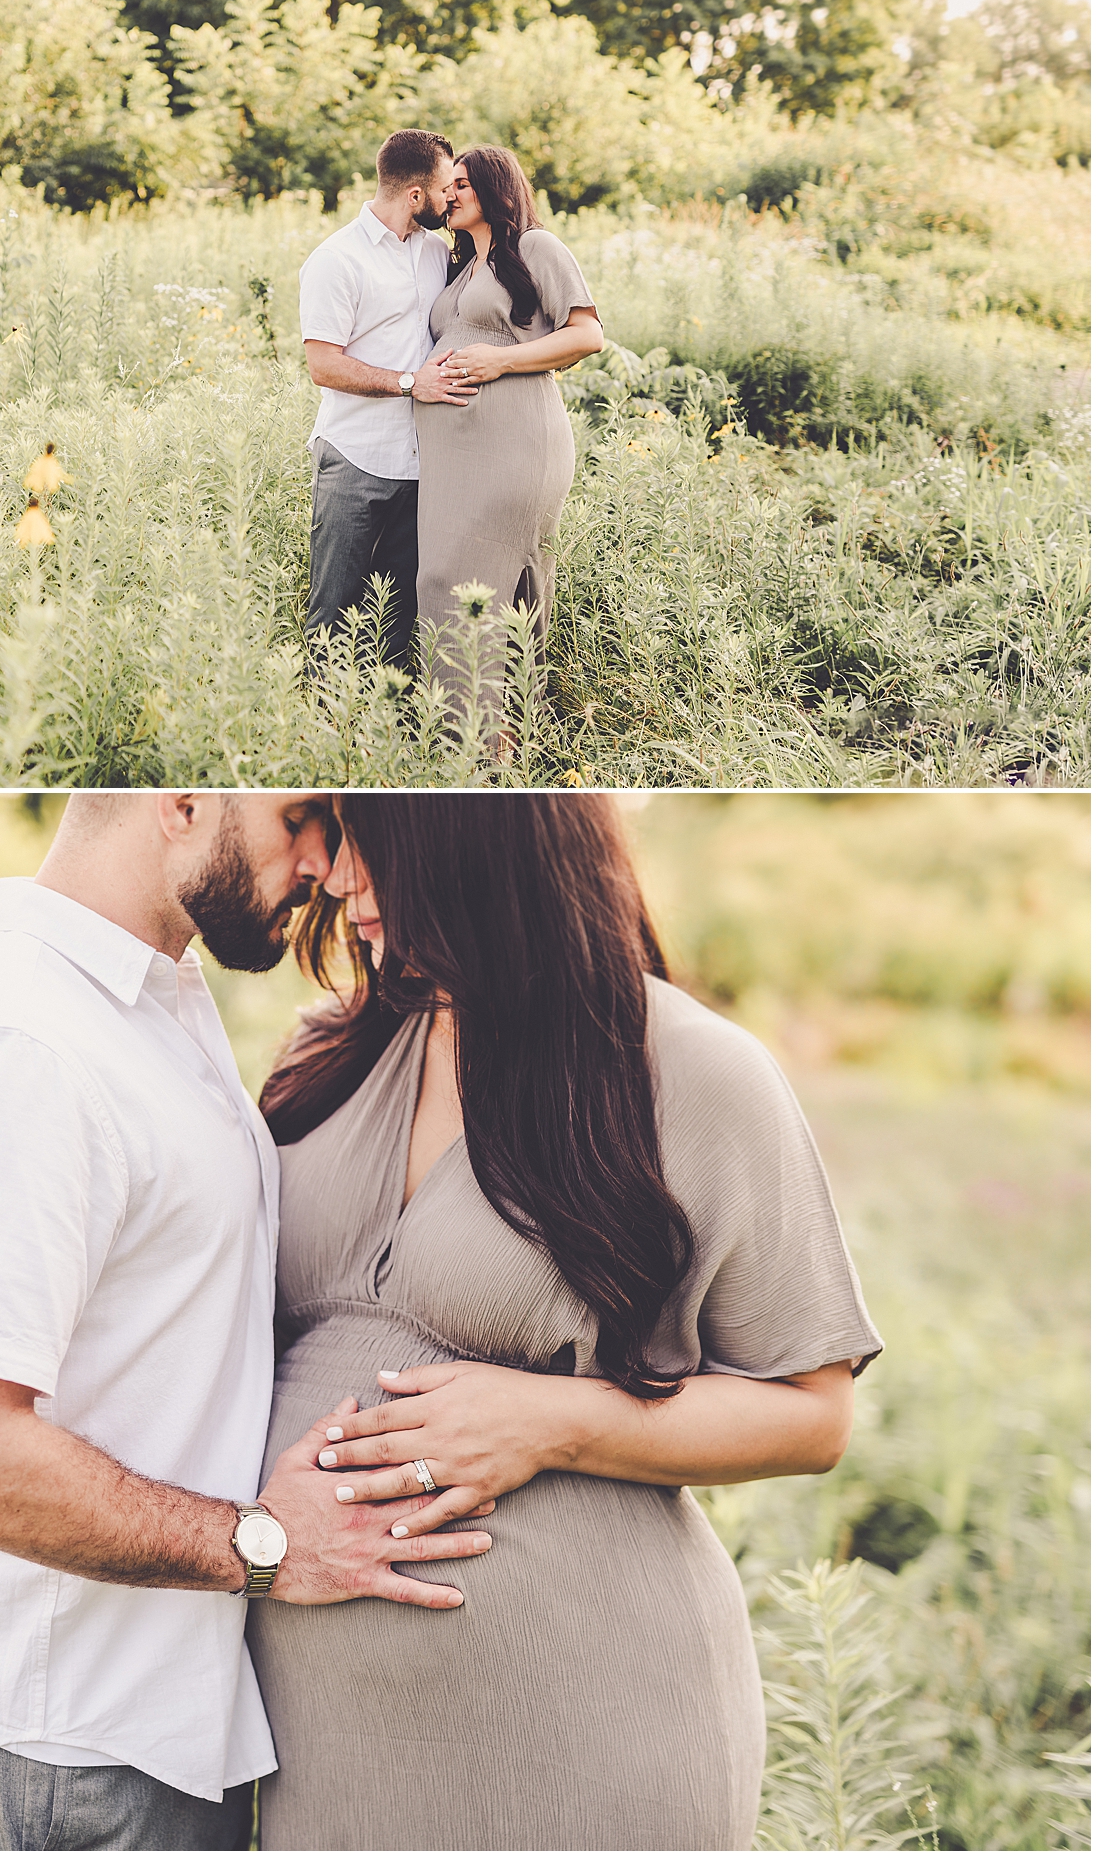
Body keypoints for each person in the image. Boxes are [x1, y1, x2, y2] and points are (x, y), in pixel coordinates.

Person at [0, 790, 496, 1854]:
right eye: (299, 817)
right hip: (61, 1757)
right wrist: (264, 1542)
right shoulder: (24, 1044)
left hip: (140, 1745)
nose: (322, 862)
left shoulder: (144, 1007)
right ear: (184, 795)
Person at [247, 792, 883, 1853]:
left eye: (369, 836)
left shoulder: (689, 1071)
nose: (335, 873)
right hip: (322, 1752)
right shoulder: (330, 1054)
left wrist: (557, 1420)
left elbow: (812, 1415)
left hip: (586, 1738)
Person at [413, 146, 604, 698]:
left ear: (496, 190)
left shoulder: (534, 247)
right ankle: (483, 740)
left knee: (461, 582)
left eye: (463, 185)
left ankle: (480, 746)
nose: (450, 194)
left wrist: (500, 359)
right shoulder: (464, 265)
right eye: (449, 185)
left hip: (513, 448)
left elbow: (587, 334)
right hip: (458, 462)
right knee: (451, 583)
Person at [298, 129, 477, 671]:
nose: (453, 199)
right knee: (334, 611)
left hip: (424, 462)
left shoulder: (435, 253)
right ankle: (320, 734)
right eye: (447, 188)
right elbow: (323, 366)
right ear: (416, 195)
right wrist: (408, 382)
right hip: (356, 457)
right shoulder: (336, 260)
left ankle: (388, 734)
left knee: (401, 615)